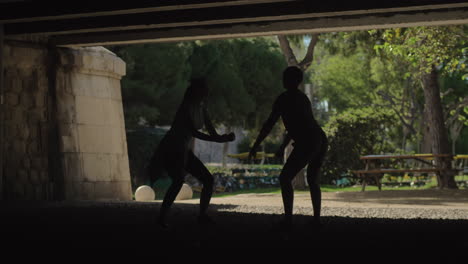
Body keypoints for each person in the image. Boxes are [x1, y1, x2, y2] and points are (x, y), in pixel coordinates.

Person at [147, 78, 235, 228]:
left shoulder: (202, 109)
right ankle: (161, 218)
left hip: (183, 148)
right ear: (197, 91)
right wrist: (221, 140)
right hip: (172, 147)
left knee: (207, 180)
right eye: (204, 89)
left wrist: (222, 138)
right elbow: (194, 132)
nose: (206, 92)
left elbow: (211, 131)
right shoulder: (186, 107)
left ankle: (201, 215)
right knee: (178, 181)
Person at [248, 66, 328, 230]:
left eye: (285, 77)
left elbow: (270, 125)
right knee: (313, 180)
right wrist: (282, 146)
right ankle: (316, 219)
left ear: (289, 80)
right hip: (319, 139)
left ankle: (289, 219)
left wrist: (256, 145)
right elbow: (297, 126)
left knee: (285, 178)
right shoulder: (303, 98)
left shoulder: (283, 99)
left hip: (308, 142)